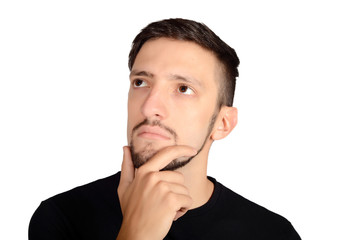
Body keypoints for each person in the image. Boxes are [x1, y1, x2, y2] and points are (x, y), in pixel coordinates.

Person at [29, 18, 301, 240]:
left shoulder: (273, 234)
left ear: (223, 123)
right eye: (140, 82)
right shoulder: (61, 218)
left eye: (183, 89)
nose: (149, 107)